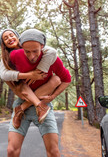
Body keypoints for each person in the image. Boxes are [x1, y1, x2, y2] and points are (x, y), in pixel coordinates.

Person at [7, 29, 71, 157]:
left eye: (35, 51)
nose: (31, 56)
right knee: (11, 151)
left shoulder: (53, 59)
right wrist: (15, 88)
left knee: (53, 151)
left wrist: (52, 96)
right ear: (22, 47)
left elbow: (66, 80)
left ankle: (26, 108)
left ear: (42, 47)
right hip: (22, 101)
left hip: (43, 105)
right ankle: (20, 109)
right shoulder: (15, 55)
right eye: (27, 52)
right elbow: (5, 74)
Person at [0, 29, 62, 128]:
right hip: (24, 87)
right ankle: (39, 106)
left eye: (11, 35)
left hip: (40, 85)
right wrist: (29, 75)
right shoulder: (6, 57)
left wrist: (39, 70)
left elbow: (52, 52)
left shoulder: (29, 45)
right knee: (21, 84)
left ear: (17, 36)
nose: (10, 38)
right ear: (4, 44)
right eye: (5, 38)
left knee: (57, 79)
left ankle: (21, 108)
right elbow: (3, 74)